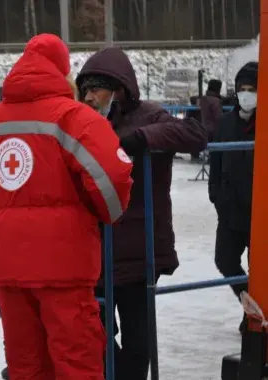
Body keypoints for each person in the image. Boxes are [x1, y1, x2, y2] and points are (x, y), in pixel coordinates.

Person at [0, 33, 134, 380]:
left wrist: (1, 211)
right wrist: (105, 212)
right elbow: (113, 177)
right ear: (63, 71)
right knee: (76, 360)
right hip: (64, 266)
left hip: (8, 266)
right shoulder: (74, 118)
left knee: (26, 365)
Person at [75, 46, 208, 380]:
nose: (89, 96)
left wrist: (141, 139)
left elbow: (194, 135)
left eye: (96, 88)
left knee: (138, 341)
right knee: (96, 336)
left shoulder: (148, 115)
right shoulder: (80, 121)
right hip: (94, 253)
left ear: (118, 89)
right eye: (85, 89)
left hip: (139, 252)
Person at [208, 61, 258, 335]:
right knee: (225, 260)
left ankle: (253, 316)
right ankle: (250, 303)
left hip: (259, 212)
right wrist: (216, 194)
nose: (247, 94)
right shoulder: (227, 123)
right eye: (242, 89)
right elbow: (215, 159)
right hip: (230, 210)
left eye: (252, 89)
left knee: (259, 268)